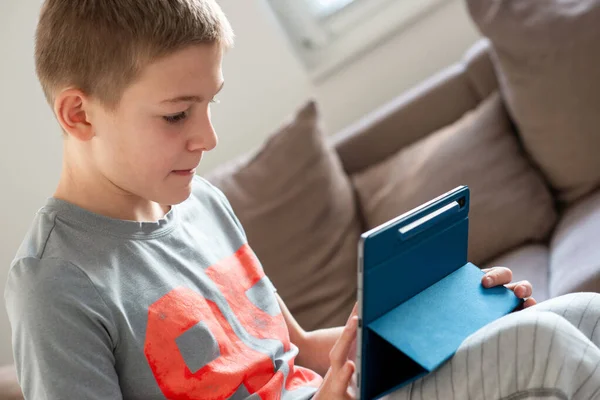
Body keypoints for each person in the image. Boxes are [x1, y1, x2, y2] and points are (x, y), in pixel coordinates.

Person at [4, 0, 599, 399]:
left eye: (210, 104)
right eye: (177, 114)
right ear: (79, 114)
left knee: (580, 315)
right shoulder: (54, 284)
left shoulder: (201, 201)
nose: (207, 138)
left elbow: (295, 347)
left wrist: (428, 319)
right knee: (544, 348)